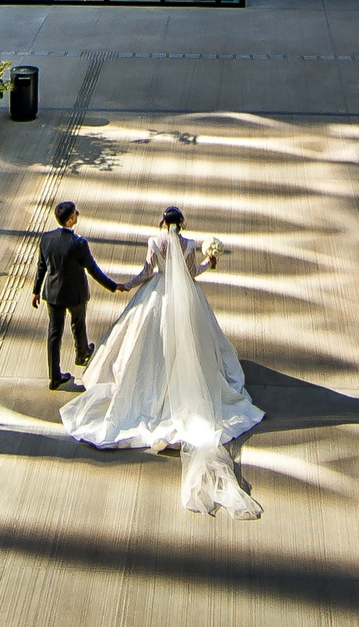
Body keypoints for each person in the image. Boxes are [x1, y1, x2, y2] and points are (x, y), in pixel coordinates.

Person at [60, 205, 264, 518]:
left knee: (144, 346)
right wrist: (210, 263)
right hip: (185, 301)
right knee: (195, 342)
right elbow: (191, 274)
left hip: (157, 297)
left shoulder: (155, 242)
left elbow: (147, 272)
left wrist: (128, 285)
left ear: (163, 223)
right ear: (181, 224)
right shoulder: (189, 245)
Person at [32, 200, 120, 390]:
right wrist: (113, 286)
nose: (77, 215)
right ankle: (82, 353)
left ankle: (54, 377)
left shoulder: (46, 239)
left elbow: (41, 267)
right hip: (75, 294)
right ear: (70, 220)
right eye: (75, 214)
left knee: (54, 333)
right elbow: (93, 270)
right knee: (78, 324)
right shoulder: (79, 243)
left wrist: (36, 291)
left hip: (53, 294)